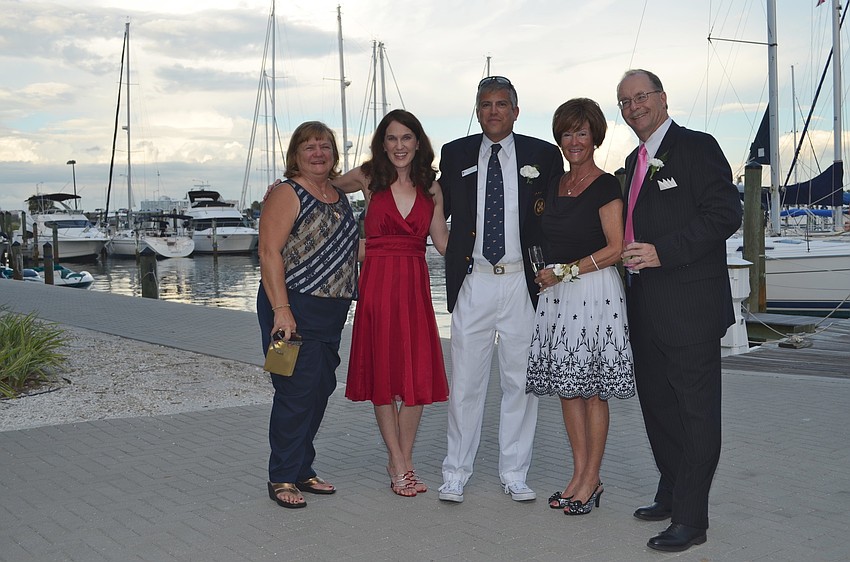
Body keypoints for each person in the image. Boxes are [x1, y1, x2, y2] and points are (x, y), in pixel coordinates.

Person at [616, 69, 742, 551]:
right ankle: (670, 493)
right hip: (644, 308)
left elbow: (725, 213)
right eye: (624, 101)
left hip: (690, 306)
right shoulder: (633, 159)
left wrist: (663, 251)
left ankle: (692, 519)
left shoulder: (698, 146)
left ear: (663, 98)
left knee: (695, 414)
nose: (633, 107)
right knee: (659, 410)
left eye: (640, 97)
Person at [438, 76, 564, 503]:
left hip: (522, 284)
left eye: (502, 104)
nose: (493, 111)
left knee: (520, 384)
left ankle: (515, 471)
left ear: (515, 110)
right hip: (474, 281)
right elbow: (434, 206)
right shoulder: (454, 154)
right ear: (477, 110)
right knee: (466, 383)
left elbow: (556, 218)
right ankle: (455, 472)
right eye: (486, 104)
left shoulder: (543, 156)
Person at [526, 98, 635, 515]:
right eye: (567, 133)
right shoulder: (553, 185)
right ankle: (577, 475)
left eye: (582, 132)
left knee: (591, 393)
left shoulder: (607, 185)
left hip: (593, 291)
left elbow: (616, 248)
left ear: (595, 137)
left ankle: (592, 479)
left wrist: (566, 271)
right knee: (567, 391)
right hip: (556, 294)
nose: (574, 140)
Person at [337, 109, 450, 497]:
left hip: (415, 286)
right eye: (392, 138)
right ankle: (401, 464)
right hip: (379, 287)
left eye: (406, 138)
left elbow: (444, 243)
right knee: (384, 376)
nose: (399, 146)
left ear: (418, 142)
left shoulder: (431, 188)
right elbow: (322, 189)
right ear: (382, 144)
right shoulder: (369, 178)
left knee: (417, 377)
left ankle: (398, 458)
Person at [257, 121, 359, 509]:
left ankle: (302, 467)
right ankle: (281, 475)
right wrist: (281, 310)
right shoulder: (286, 192)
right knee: (294, 394)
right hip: (291, 309)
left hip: (330, 313)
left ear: (334, 153)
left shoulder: (337, 193)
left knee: (319, 392)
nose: (318, 153)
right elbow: (268, 253)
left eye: (325, 146)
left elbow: (341, 248)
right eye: (309, 147)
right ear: (295, 155)